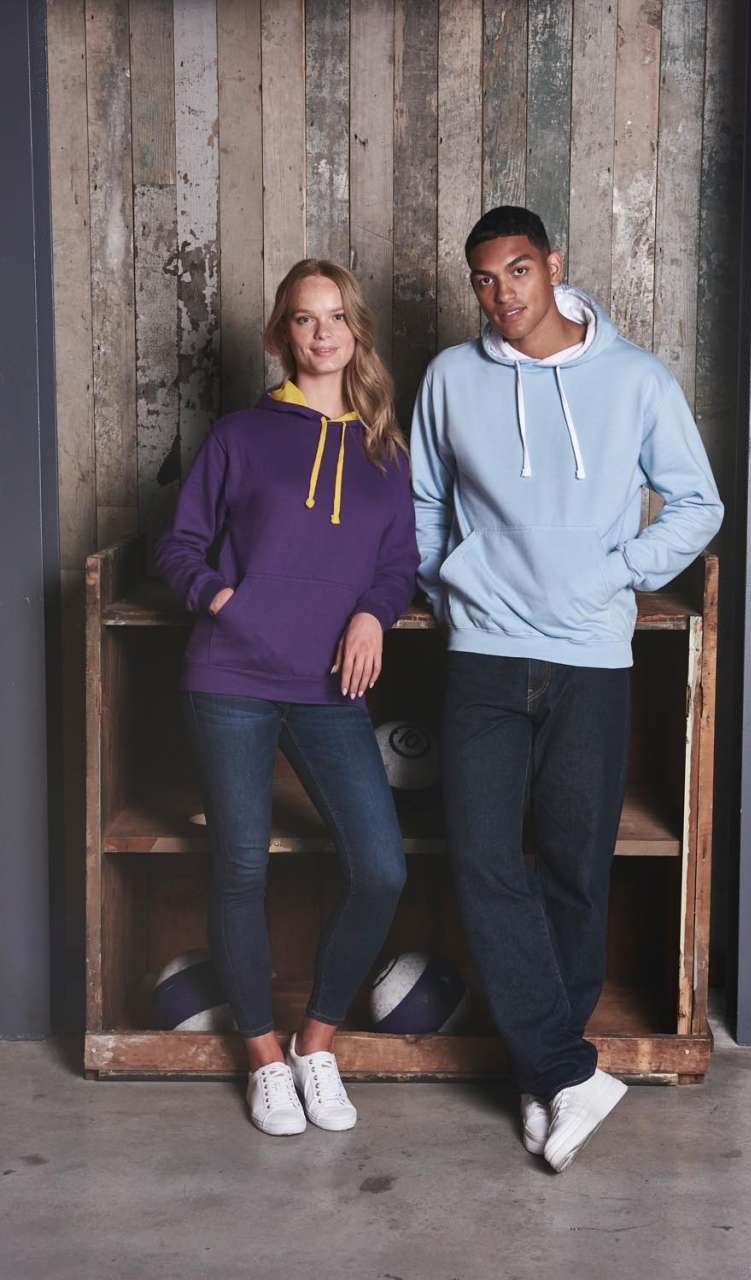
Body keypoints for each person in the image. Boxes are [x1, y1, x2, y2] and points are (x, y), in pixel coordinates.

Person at [410, 206, 723, 1172]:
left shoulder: (636, 379)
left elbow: (698, 503)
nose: (501, 294)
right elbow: (424, 500)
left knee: (575, 866)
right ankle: (564, 1070)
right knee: (482, 859)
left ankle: (545, 1075)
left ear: (552, 264)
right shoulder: (451, 378)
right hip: (485, 650)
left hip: (591, 654)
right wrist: (452, 587)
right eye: (484, 279)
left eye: (517, 271)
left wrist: (616, 573)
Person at [155, 259, 418, 1137]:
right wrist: (224, 600)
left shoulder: (384, 451)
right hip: (230, 677)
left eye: (336, 316)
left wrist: (374, 615)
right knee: (241, 866)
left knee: (380, 867)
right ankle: (265, 1059)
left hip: (327, 686)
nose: (321, 332)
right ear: (282, 334)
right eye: (305, 318)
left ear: (356, 331)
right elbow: (178, 547)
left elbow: (398, 563)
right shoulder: (240, 436)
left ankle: (315, 1045)